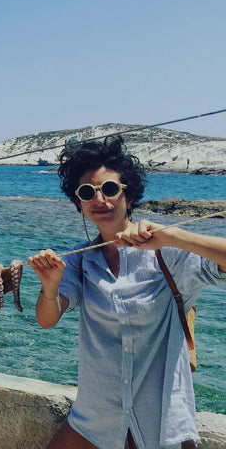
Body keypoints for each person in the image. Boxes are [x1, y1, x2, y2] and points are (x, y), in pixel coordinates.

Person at [27, 135, 226, 449]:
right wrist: (50, 287)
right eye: (87, 192)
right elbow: (46, 319)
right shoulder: (79, 260)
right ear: (80, 205)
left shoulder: (167, 254)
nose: (100, 200)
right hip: (95, 420)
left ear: (129, 196)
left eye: (109, 189)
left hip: (161, 425)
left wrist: (175, 237)